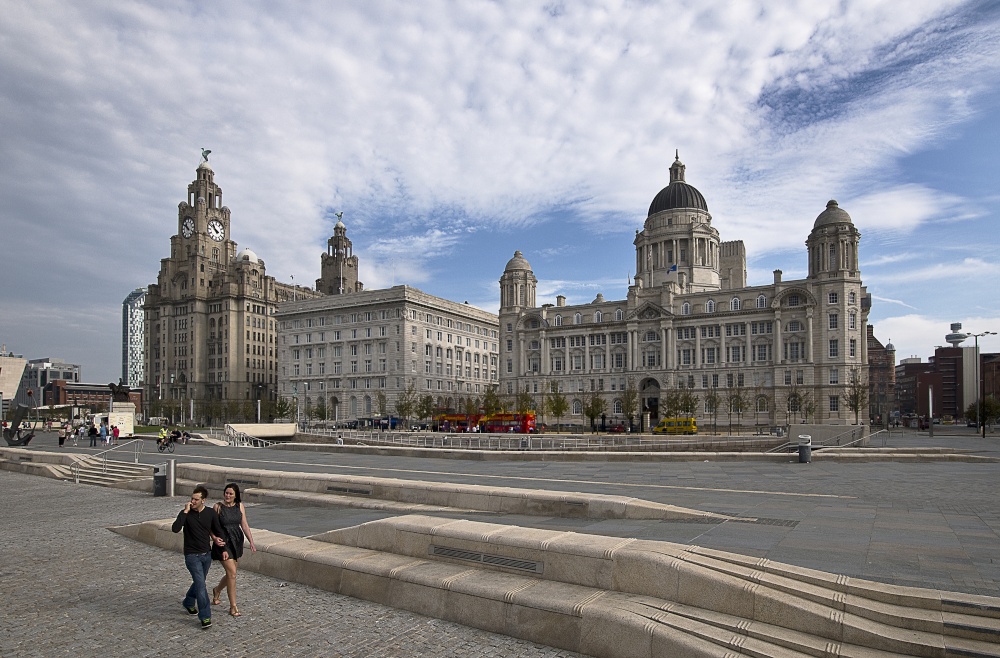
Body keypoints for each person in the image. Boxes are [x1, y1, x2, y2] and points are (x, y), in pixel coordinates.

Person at [171, 485, 226, 629]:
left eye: (196, 499)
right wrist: (185, 511)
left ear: (204, 500)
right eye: (192, 499)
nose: (193, 501)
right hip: (191, 556)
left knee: (198, 582)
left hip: (206, 555)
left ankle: (188, 602)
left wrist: (222, 546)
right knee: (201, 585)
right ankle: (205, 616)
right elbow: (175, 528)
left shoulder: (210, 513)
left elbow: (218, 530)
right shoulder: (186, 513)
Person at [210, 482, 256, 617]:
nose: (227, 495)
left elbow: (244, 525)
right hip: (223, 543)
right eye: (226, 493)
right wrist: (214, 538)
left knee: (232, 573)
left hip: (236, 541)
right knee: (232, 574)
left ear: (236, 496)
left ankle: (217, 590)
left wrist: (251, 541)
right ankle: (233, 606)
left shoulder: (239, 506)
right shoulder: (217, 507)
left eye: (230, 494)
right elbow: (211, 527)